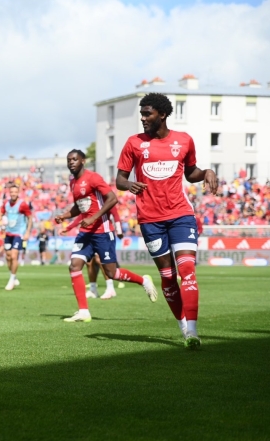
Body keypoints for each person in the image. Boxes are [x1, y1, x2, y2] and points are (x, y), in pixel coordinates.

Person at [116, 92, 217, 349]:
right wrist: (130, 184)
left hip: (181, 215)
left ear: (162, 114)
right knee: (168, 276)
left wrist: (207, 172)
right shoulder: (134, 143)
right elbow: (119, 179)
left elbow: (191, 172)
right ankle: (182, 324)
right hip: (150, 220)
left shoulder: (183, 141)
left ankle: (192, 332)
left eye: (147, 113)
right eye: (141, 113)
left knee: (187, 271)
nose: (143, 118)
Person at [55, 149, 157, 322]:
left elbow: (112, 199)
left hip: (102, 232)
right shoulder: (73, 182)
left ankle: (143, 281)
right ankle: (83, 311)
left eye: (74, 159)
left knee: (111, 273)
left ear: (83, 161)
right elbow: (80, 206)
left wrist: (94, 217)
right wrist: (65, 216)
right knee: (74, 266)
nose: (71, 162)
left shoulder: (93, 178)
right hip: (85, 233)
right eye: (68, 160)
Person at [0, 184, 32, 291]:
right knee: (7, 257)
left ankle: (11, 280)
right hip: (8, 233)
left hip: (18, 233)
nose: (13, 194)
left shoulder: (23, 205)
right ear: (9, 193)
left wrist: (27, 232)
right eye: (11, 192)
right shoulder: (6, 204)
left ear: (18, 193)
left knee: (13, 256)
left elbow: (30, 218)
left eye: (15, 192)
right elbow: (1, 214)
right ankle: (13, 275)